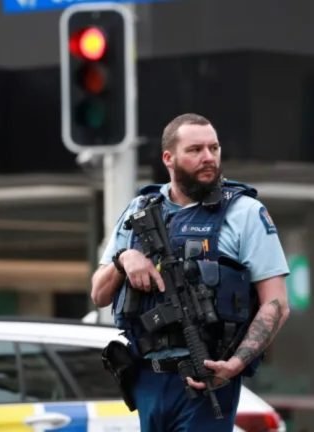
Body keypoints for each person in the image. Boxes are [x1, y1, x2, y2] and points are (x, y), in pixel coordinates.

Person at [91, 113, 290, 432]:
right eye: (195, 150)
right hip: (148, 380)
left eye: (214, 147)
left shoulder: (245, 213)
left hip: (208, 376)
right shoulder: (138, 210)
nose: (208, 157)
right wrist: (124, 259)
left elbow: (276, 303)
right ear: (168, 158)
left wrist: (235, 365)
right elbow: (98, 294)